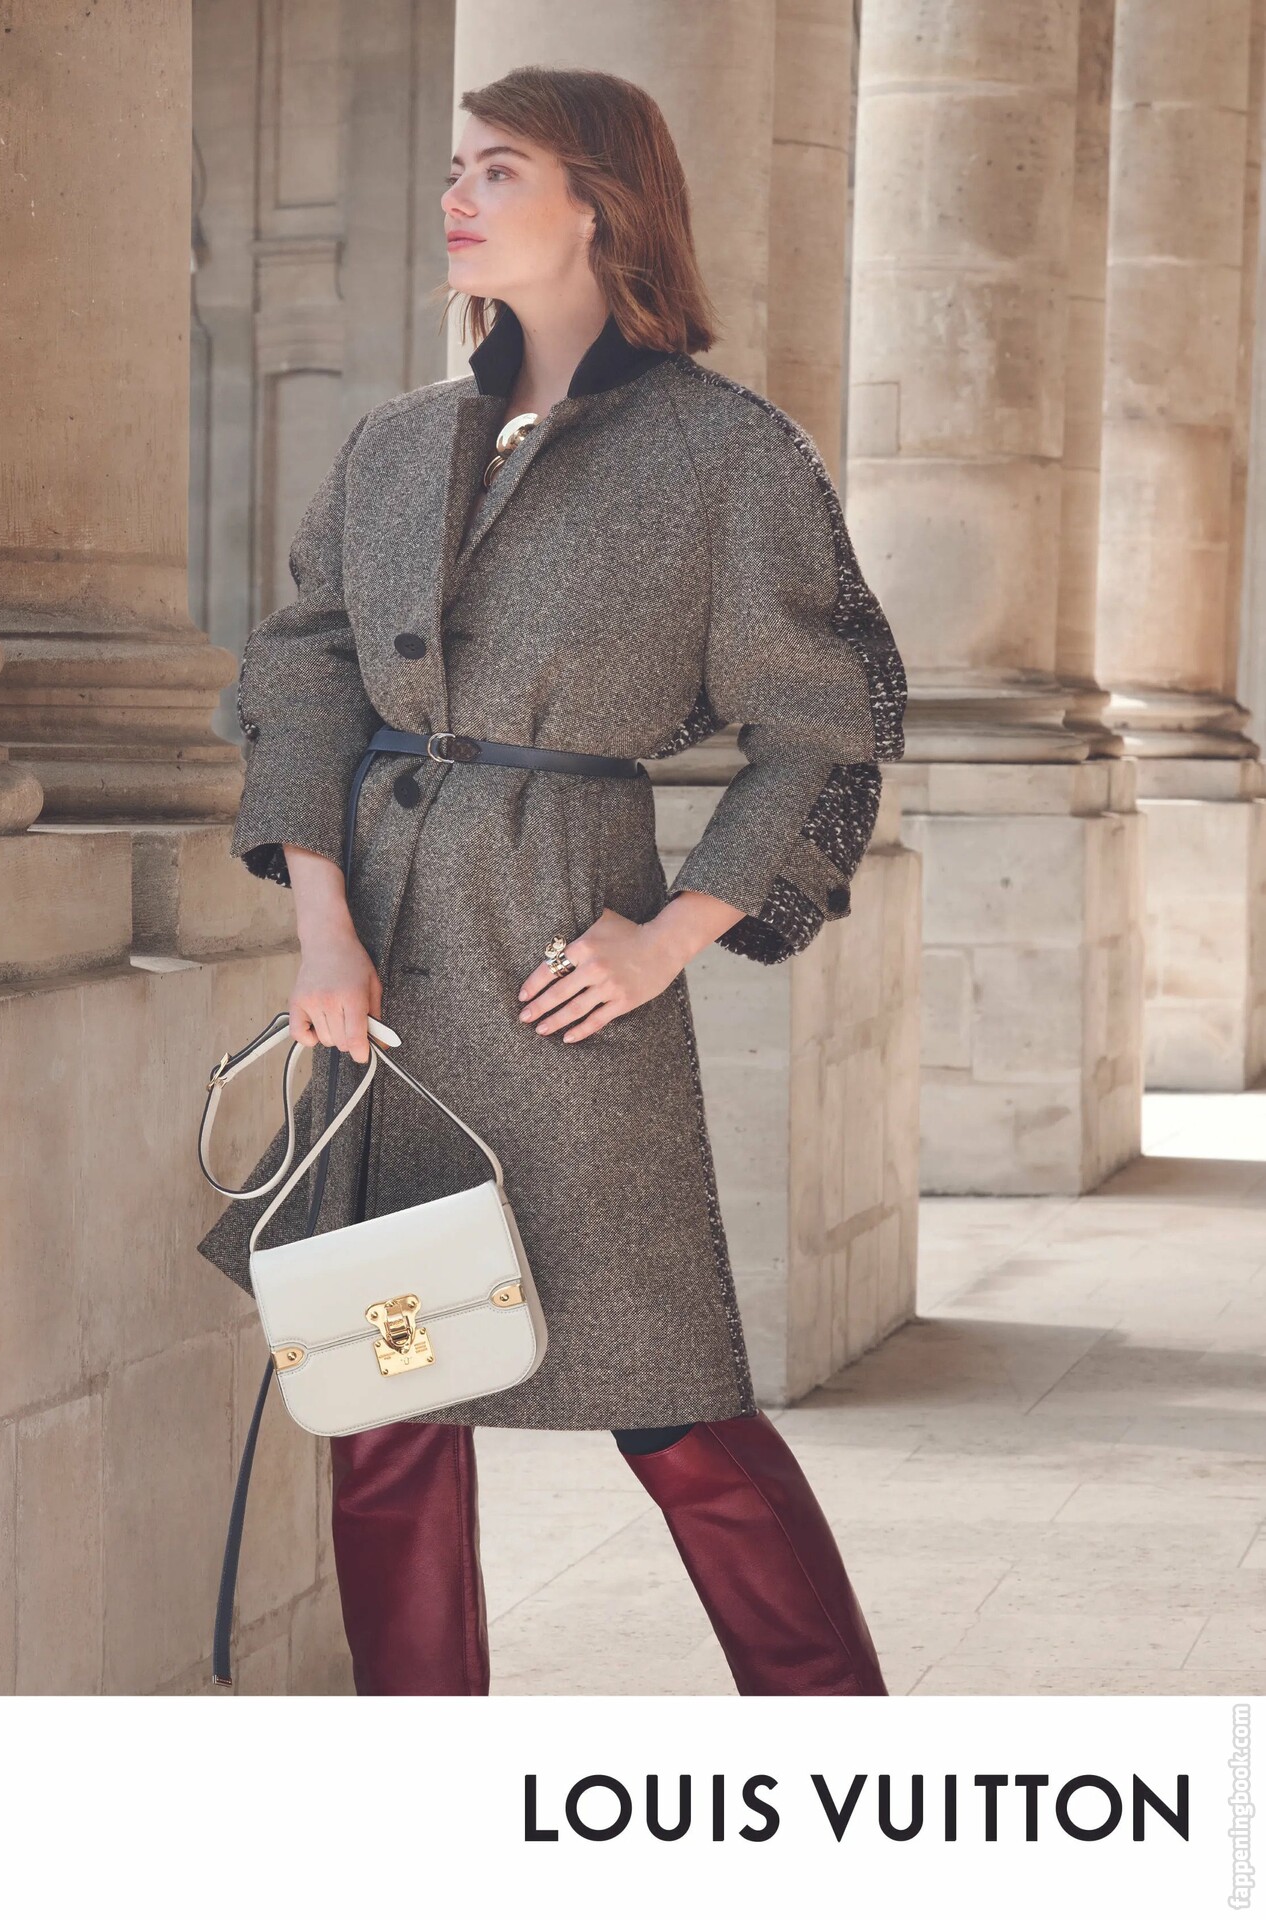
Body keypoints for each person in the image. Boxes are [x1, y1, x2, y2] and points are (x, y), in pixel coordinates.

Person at [197, 65, 907, 1697]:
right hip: (381, 976)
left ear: (600, 203)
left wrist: (670, 937)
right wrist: (321, 929)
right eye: (456, 166)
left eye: (499, 168)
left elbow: (825, 726)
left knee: (670, 1399)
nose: (456, 195)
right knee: (384, 1389)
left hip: (561, 968)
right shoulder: (394, 443)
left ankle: (841, 1744)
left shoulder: (726, 453)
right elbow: (302, 675)